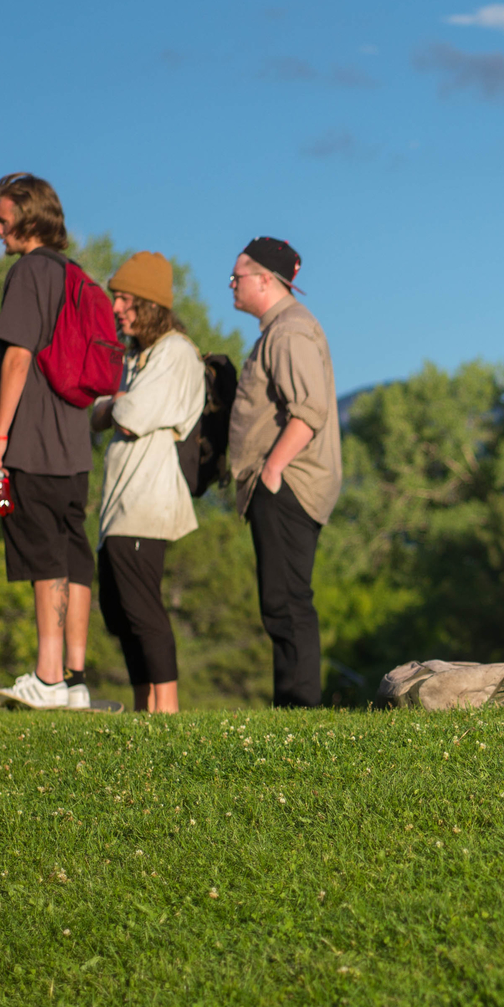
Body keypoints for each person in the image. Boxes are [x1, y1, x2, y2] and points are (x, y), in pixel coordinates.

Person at [0, 173, 98, 711]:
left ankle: (46, 679)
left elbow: (18, 355)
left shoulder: (29, 273)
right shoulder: (77, 275)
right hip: (75, 446)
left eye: (3, 220)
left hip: (34, 442)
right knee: (73, 553)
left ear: (27, 220)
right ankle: (74, 679)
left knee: (42, 554)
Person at [226, 235, 341, 708]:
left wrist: (272, 471)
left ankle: (300, 710)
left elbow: (308, 410)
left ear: (265, 280)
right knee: (281, 600)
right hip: (284, 485)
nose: (231, 284)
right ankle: (293, 708)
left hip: (288, 484)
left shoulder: (289, 331)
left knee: (287, 602)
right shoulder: (279, 330)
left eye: (237, 276)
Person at [91, 252, 205, 713]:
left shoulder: (176, 352)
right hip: (119, 506)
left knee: (144, 612)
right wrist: (113, 405)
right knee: (121, 614)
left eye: (125, 300)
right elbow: (97, 413)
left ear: (151, 303)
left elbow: (130, 415)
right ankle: (144, 710)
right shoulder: (140, 356)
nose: (116, 309)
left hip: (148, 503)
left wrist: (115, 404)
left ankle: (167, 712)